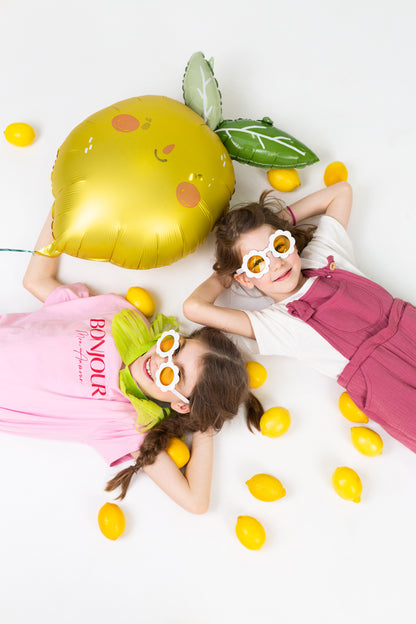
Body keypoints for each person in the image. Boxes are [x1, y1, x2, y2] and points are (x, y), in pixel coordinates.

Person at [0, 211, 263, 513]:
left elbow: (196, 501)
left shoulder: (128, 426)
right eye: (174, 347)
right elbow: (37, 280)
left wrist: (204, 423)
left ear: (181, 404)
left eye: (174, 374)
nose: (160, 360)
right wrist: (60, 205)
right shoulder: (123, 318)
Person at [183, 182, 416, 453]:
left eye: (278, 246)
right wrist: (228, 270)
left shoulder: (323, 254)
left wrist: (275, 224)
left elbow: (340, 192)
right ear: (245, 278)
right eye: (258, 263)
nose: (277, 263)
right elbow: (194, 307)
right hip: (384, 386)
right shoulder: (275, 324)